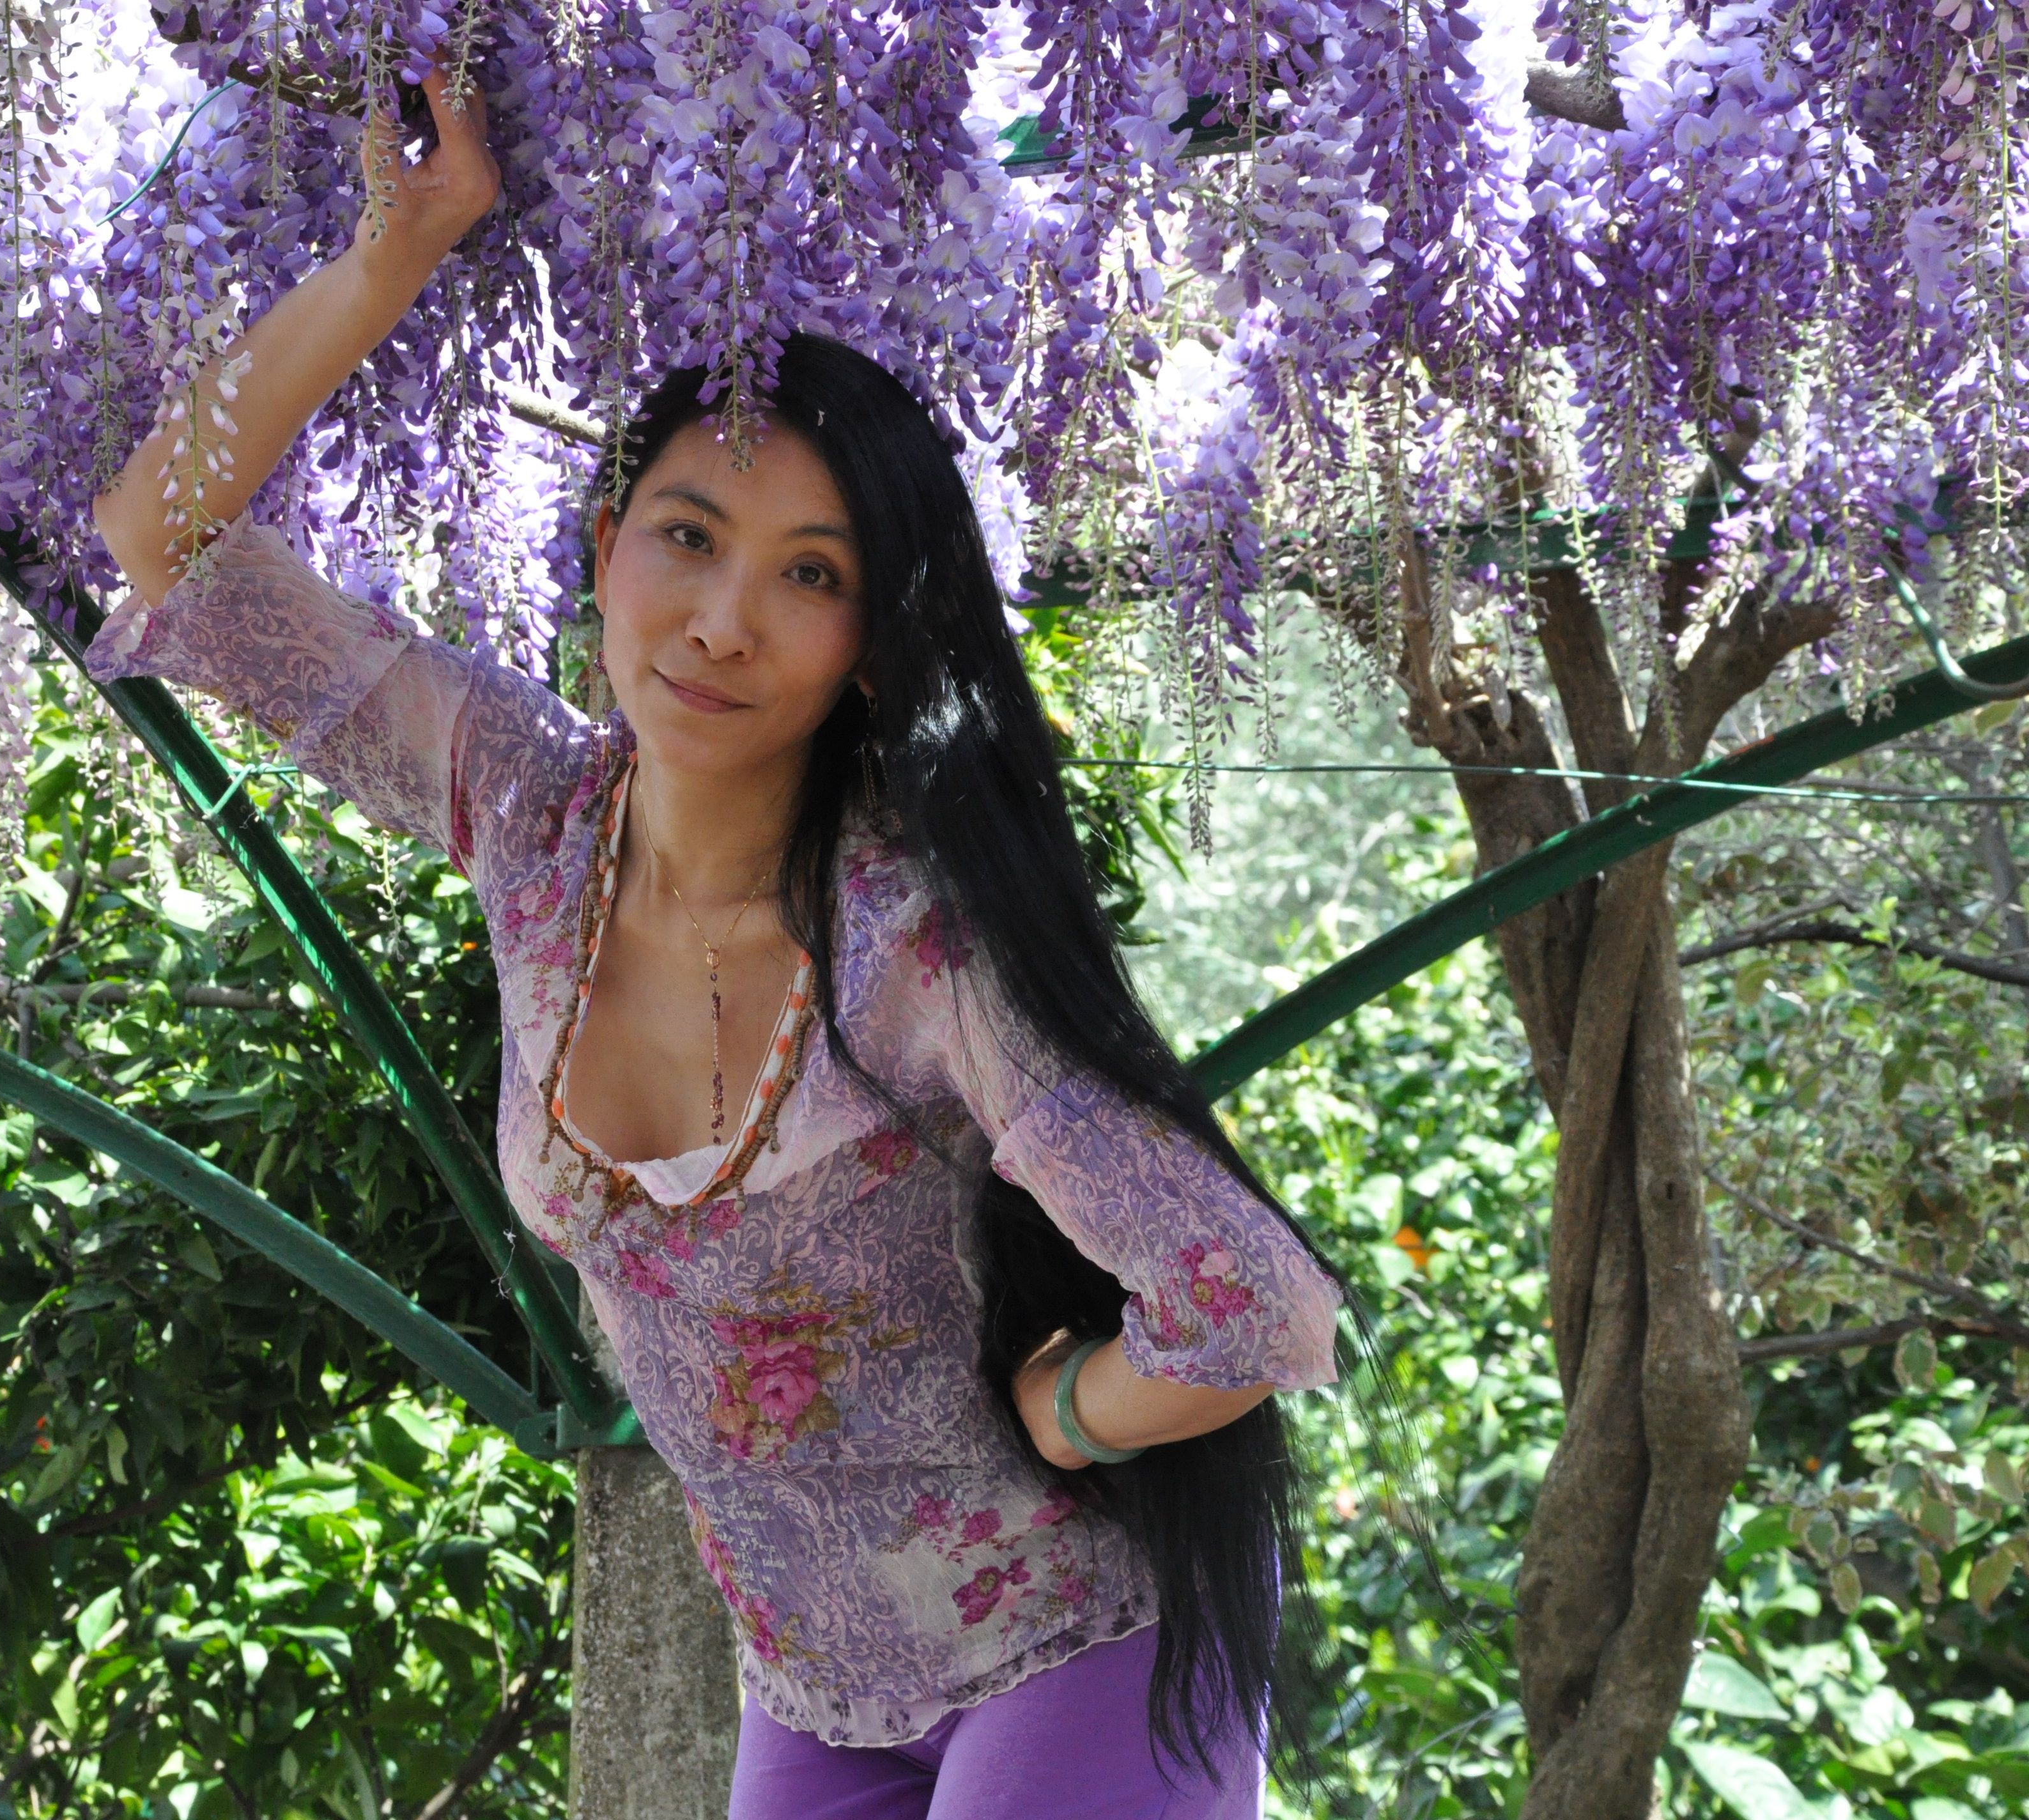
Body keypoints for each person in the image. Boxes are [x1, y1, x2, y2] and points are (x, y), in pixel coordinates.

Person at [93, 73, 1347, 1820]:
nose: (725, 622)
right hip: (810, 1689)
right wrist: (399, 249)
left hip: (1073, 1644)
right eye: (689, 537)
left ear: (869, 653)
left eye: (811, 577)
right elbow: (168, 543)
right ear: (607, 546)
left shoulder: (908, 942)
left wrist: (1067, 1419)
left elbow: (1254, 1306)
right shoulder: (530, 819)